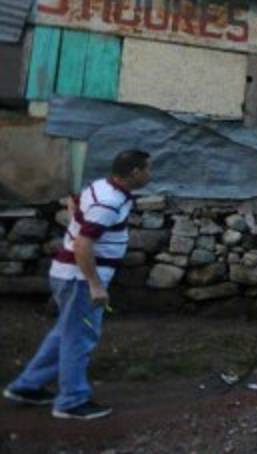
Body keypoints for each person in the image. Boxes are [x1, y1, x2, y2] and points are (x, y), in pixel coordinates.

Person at [3, 150, 152, 420]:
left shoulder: (100, 187)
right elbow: (84, 245)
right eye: (146, 169)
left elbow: (75, 208)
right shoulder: (109, 201)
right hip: (79, 279)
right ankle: (71, 401)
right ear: (134, 173)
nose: (150, 174)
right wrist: (95, 285)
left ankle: (27, 386)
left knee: (64, 333)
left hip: (67, 274)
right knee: (80, 338)